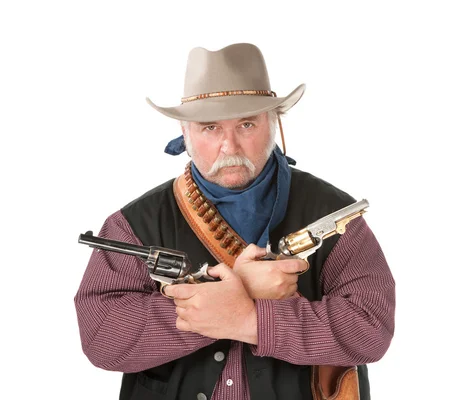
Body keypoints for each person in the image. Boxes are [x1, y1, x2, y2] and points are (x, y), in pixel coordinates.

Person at [75, 43, 395, 400]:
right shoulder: (133, 224)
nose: (229, 146)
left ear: (273, 122)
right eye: (210, 127)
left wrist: (252, 320)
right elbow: (101, 337)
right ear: (184, 132)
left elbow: (371, 329)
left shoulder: (333, 212)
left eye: (246, 123)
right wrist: (229, 297)